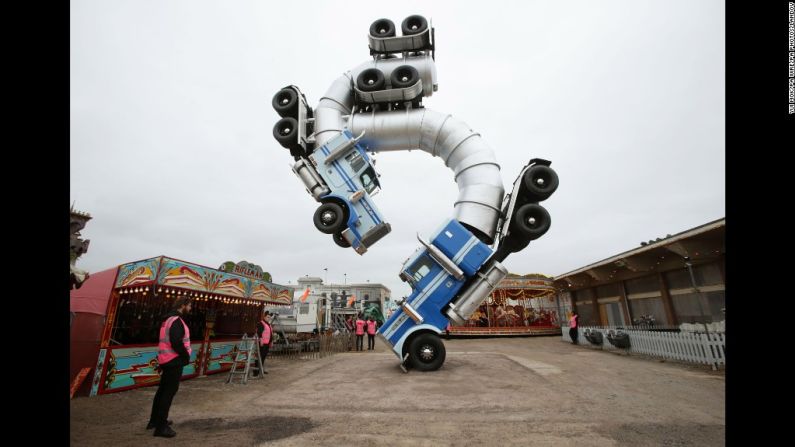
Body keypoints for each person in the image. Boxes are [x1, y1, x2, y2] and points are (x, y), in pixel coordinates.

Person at [148, 297, 192, 438]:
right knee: (169, 392)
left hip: (165, 360)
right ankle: (161, 427)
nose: (190, 309)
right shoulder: (176, 321)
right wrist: (185, 356)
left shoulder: (167, 319)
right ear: (183, 305)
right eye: (189, 305)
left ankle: (155, 420)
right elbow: (176, 341)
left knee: (162, 391)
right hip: (174, 360)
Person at [253, 311, 273, 376]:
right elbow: (259, 333)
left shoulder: (268, 324)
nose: (269, 318)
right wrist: (261, 340)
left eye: (270, 317)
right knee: (259, 357)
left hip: (267, 343)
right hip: (262, 343)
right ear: (264, 317)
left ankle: (261, 369)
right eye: (268, 317)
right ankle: (256, 372)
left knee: (263, 357)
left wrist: (271, 342)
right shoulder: (261, 323)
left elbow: (270, 334)